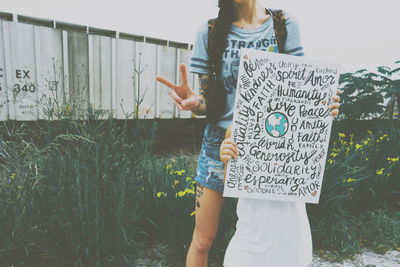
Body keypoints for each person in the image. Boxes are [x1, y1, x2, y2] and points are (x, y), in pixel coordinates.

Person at [155, 0, 341, 266]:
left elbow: (300, 87)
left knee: (267, 233)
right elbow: (208, 103)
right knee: (202, 240)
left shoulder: (283, 25)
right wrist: (196, 103)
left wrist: (324, 104)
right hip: (219, 141)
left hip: (269, 142)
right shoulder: (209, 30)